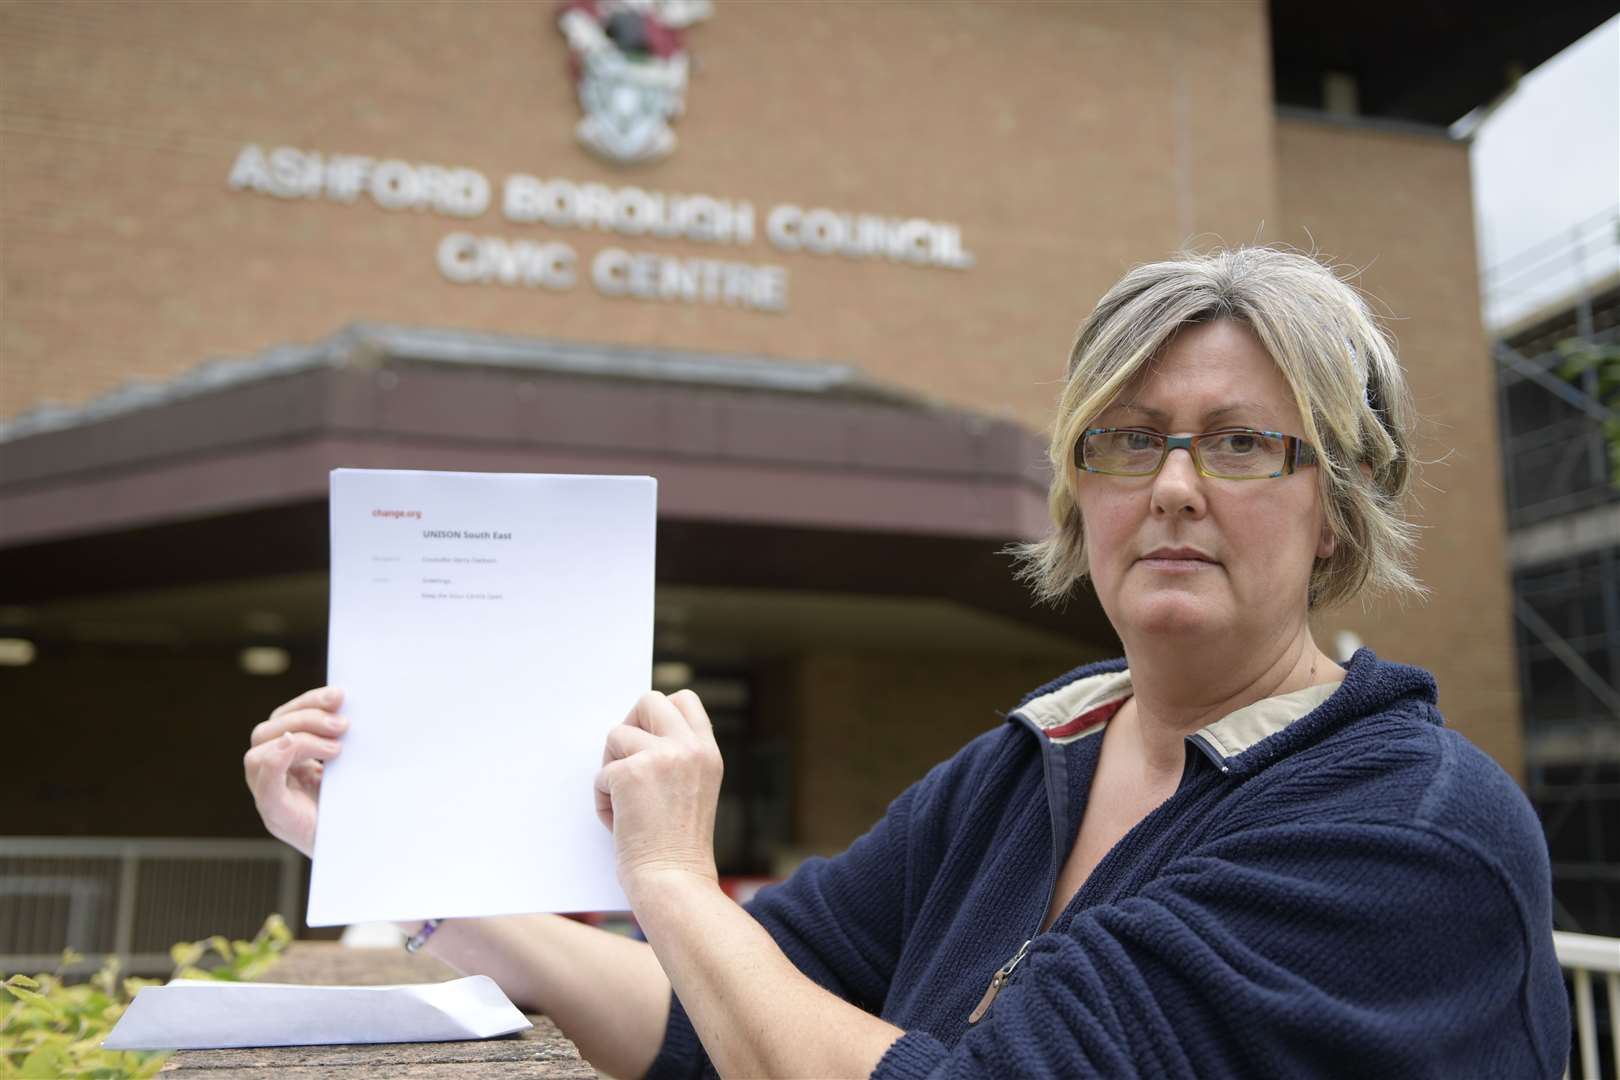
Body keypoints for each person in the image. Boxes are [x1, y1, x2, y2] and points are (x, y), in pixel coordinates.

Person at [245, 247, 1570, 1078]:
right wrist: (404, 857)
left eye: (1238, 444)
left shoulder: (1407, 830)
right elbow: (720, 1013)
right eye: (1125, 439)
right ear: (1078, 490)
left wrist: (665, 875)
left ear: (1335, 500)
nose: (1172, 487)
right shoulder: (1029, 764)